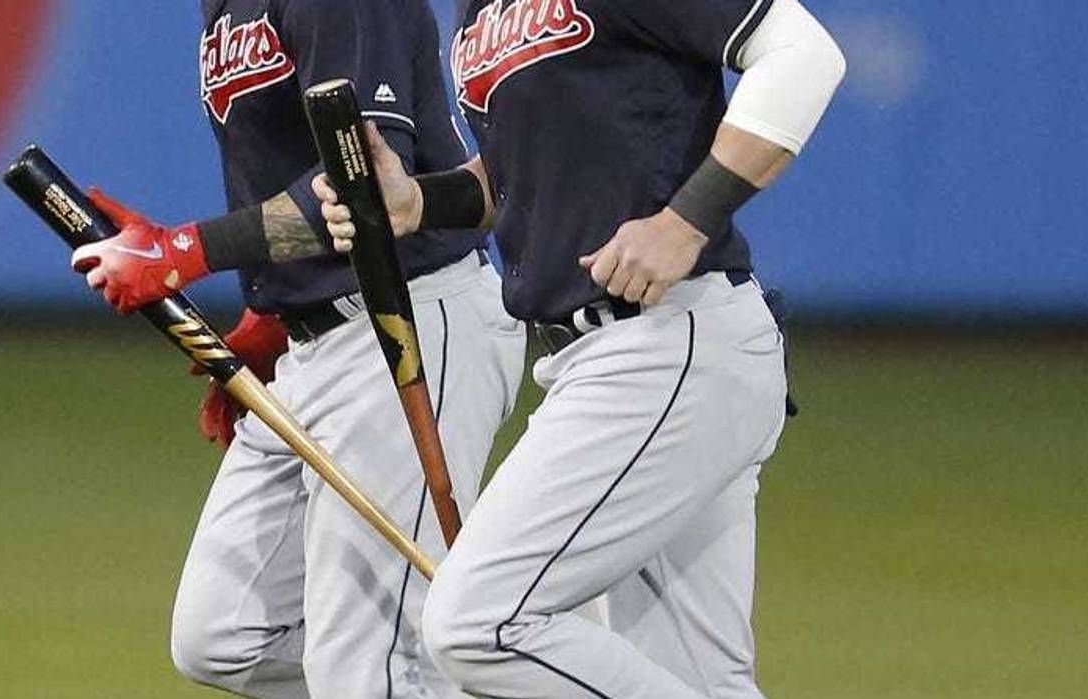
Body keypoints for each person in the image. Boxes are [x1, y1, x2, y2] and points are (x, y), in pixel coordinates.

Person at [316, 0, 845, 696]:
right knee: (692, 679)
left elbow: (804, 56)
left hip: (666, 342)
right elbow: (525, 179)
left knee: (478, 623)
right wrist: (420, 201)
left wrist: (685, 220)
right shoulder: (479, 12)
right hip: (609, 359)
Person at [68, 1, 525, 697]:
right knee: (222, 635)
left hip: (406, 323)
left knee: (369, 664)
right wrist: (271, 316)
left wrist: (185, 251)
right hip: (319, 343)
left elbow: (365, 192)